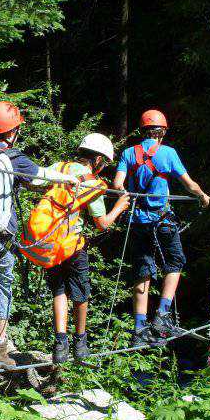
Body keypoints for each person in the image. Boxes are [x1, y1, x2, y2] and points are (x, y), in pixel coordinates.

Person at [0, 101, 80, 375]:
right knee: (1, 290)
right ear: (12, 131)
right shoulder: (14, 158)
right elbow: (39, 177)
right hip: (0, 239)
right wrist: (67, 180)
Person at [113, 108, 209, 347]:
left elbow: (117, 183)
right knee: (175, 262)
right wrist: (203, 196)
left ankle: (138, 329)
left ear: (143, 130)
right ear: (162, 132)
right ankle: (162, 316)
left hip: (137, 222)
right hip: (162, 220)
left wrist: (127, 197)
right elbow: (188, 184)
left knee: (142, 271)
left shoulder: (128, 153)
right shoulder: (168, 153)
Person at [34, 134, 130, 363]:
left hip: (51, 243)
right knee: (80, 293)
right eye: (104, 163)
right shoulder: (90, 181)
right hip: (74, 245)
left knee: (59, 290)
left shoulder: (60, 167)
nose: (103, 167)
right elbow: (102, 223)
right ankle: (80, 343)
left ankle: (60, 344)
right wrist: (119, 206)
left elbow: (32, 181)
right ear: (97, 159)